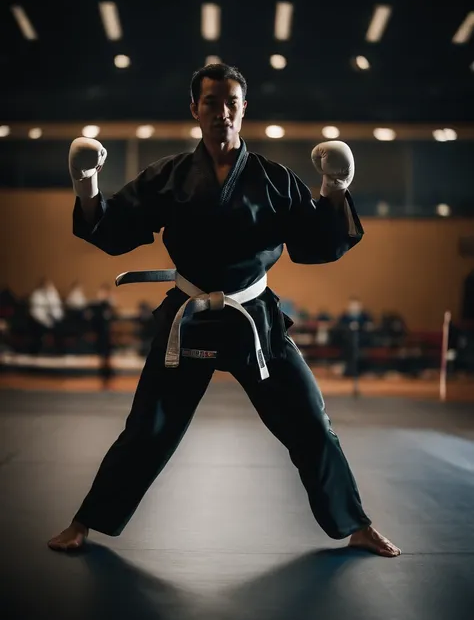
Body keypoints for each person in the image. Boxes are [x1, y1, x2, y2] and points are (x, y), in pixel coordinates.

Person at [48, 63, 400, 557]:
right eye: (211, 103)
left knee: (310, 421)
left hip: (255, 320)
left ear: (243, 109)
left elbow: (318, 240)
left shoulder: (274, 180)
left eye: (231, 103)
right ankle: (85, 522)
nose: (222, 113)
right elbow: (114, 228)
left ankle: (355, 524)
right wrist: (86, 186)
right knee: (148, 428)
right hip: (189, 318)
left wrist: (335, 190)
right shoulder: (168, 177)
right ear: (195, 109)